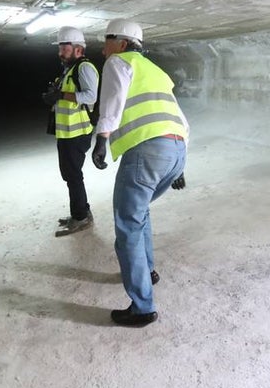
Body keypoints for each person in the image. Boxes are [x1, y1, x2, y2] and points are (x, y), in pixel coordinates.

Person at [91, 19, 188, 327]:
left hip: (146, 152)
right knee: (140, 213)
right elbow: (177, 114)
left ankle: (142, 308)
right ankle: (148, 271)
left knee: (128, 226)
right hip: (176, 149)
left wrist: (101, 139)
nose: (103, 46)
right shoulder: (156, 70)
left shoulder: (118, 62)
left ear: (121, 42)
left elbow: (113, 101)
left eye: (107, 40)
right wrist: (181, 166)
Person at [42, 26, 99, 237]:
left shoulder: (84, 68)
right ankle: (81, 211)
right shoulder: (70, 69)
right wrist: (54, 95)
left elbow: (90, 97)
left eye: (63, 49)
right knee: (70, 175)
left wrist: (61, 95)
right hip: (66, 132)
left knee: (73, 176)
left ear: (77, 49)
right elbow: (65, 93)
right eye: (59, 49)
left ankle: (81, 217)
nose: (60, 53)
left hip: (78, 132)